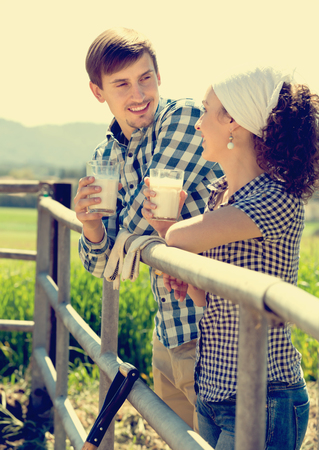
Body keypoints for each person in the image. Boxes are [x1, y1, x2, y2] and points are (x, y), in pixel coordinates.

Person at [142, 64, 319, 449]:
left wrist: (167, 230)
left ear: (234, 124)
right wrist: (190, 275)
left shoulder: (275, 197)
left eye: (206, 111)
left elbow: (178, 236)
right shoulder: (220, 194)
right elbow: (212, 300)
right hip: (214, 391)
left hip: (261, 398)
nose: (198, 124)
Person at [73, 27, 223, 431]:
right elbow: (104, 264)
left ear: (159, 76)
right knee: (178, 440)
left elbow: (143, 217)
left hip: (211, 328)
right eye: (121, 84)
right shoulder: (106, 153)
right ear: (97, 91)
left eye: (146, 78)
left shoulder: (186, 117)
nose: (138, 94)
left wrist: (113, 235)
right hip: (168, 328)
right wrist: (89, 226)